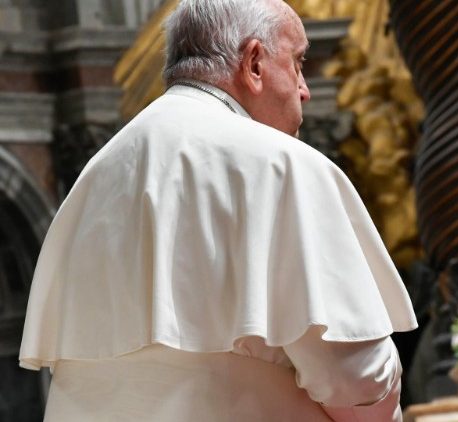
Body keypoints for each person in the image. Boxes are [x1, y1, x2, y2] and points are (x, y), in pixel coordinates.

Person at [18, 0, 418, 420]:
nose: (305, 89)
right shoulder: (279, 165)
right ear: (255, 63)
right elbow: (354, 380)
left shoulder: (94, 177)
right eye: (298, 63)